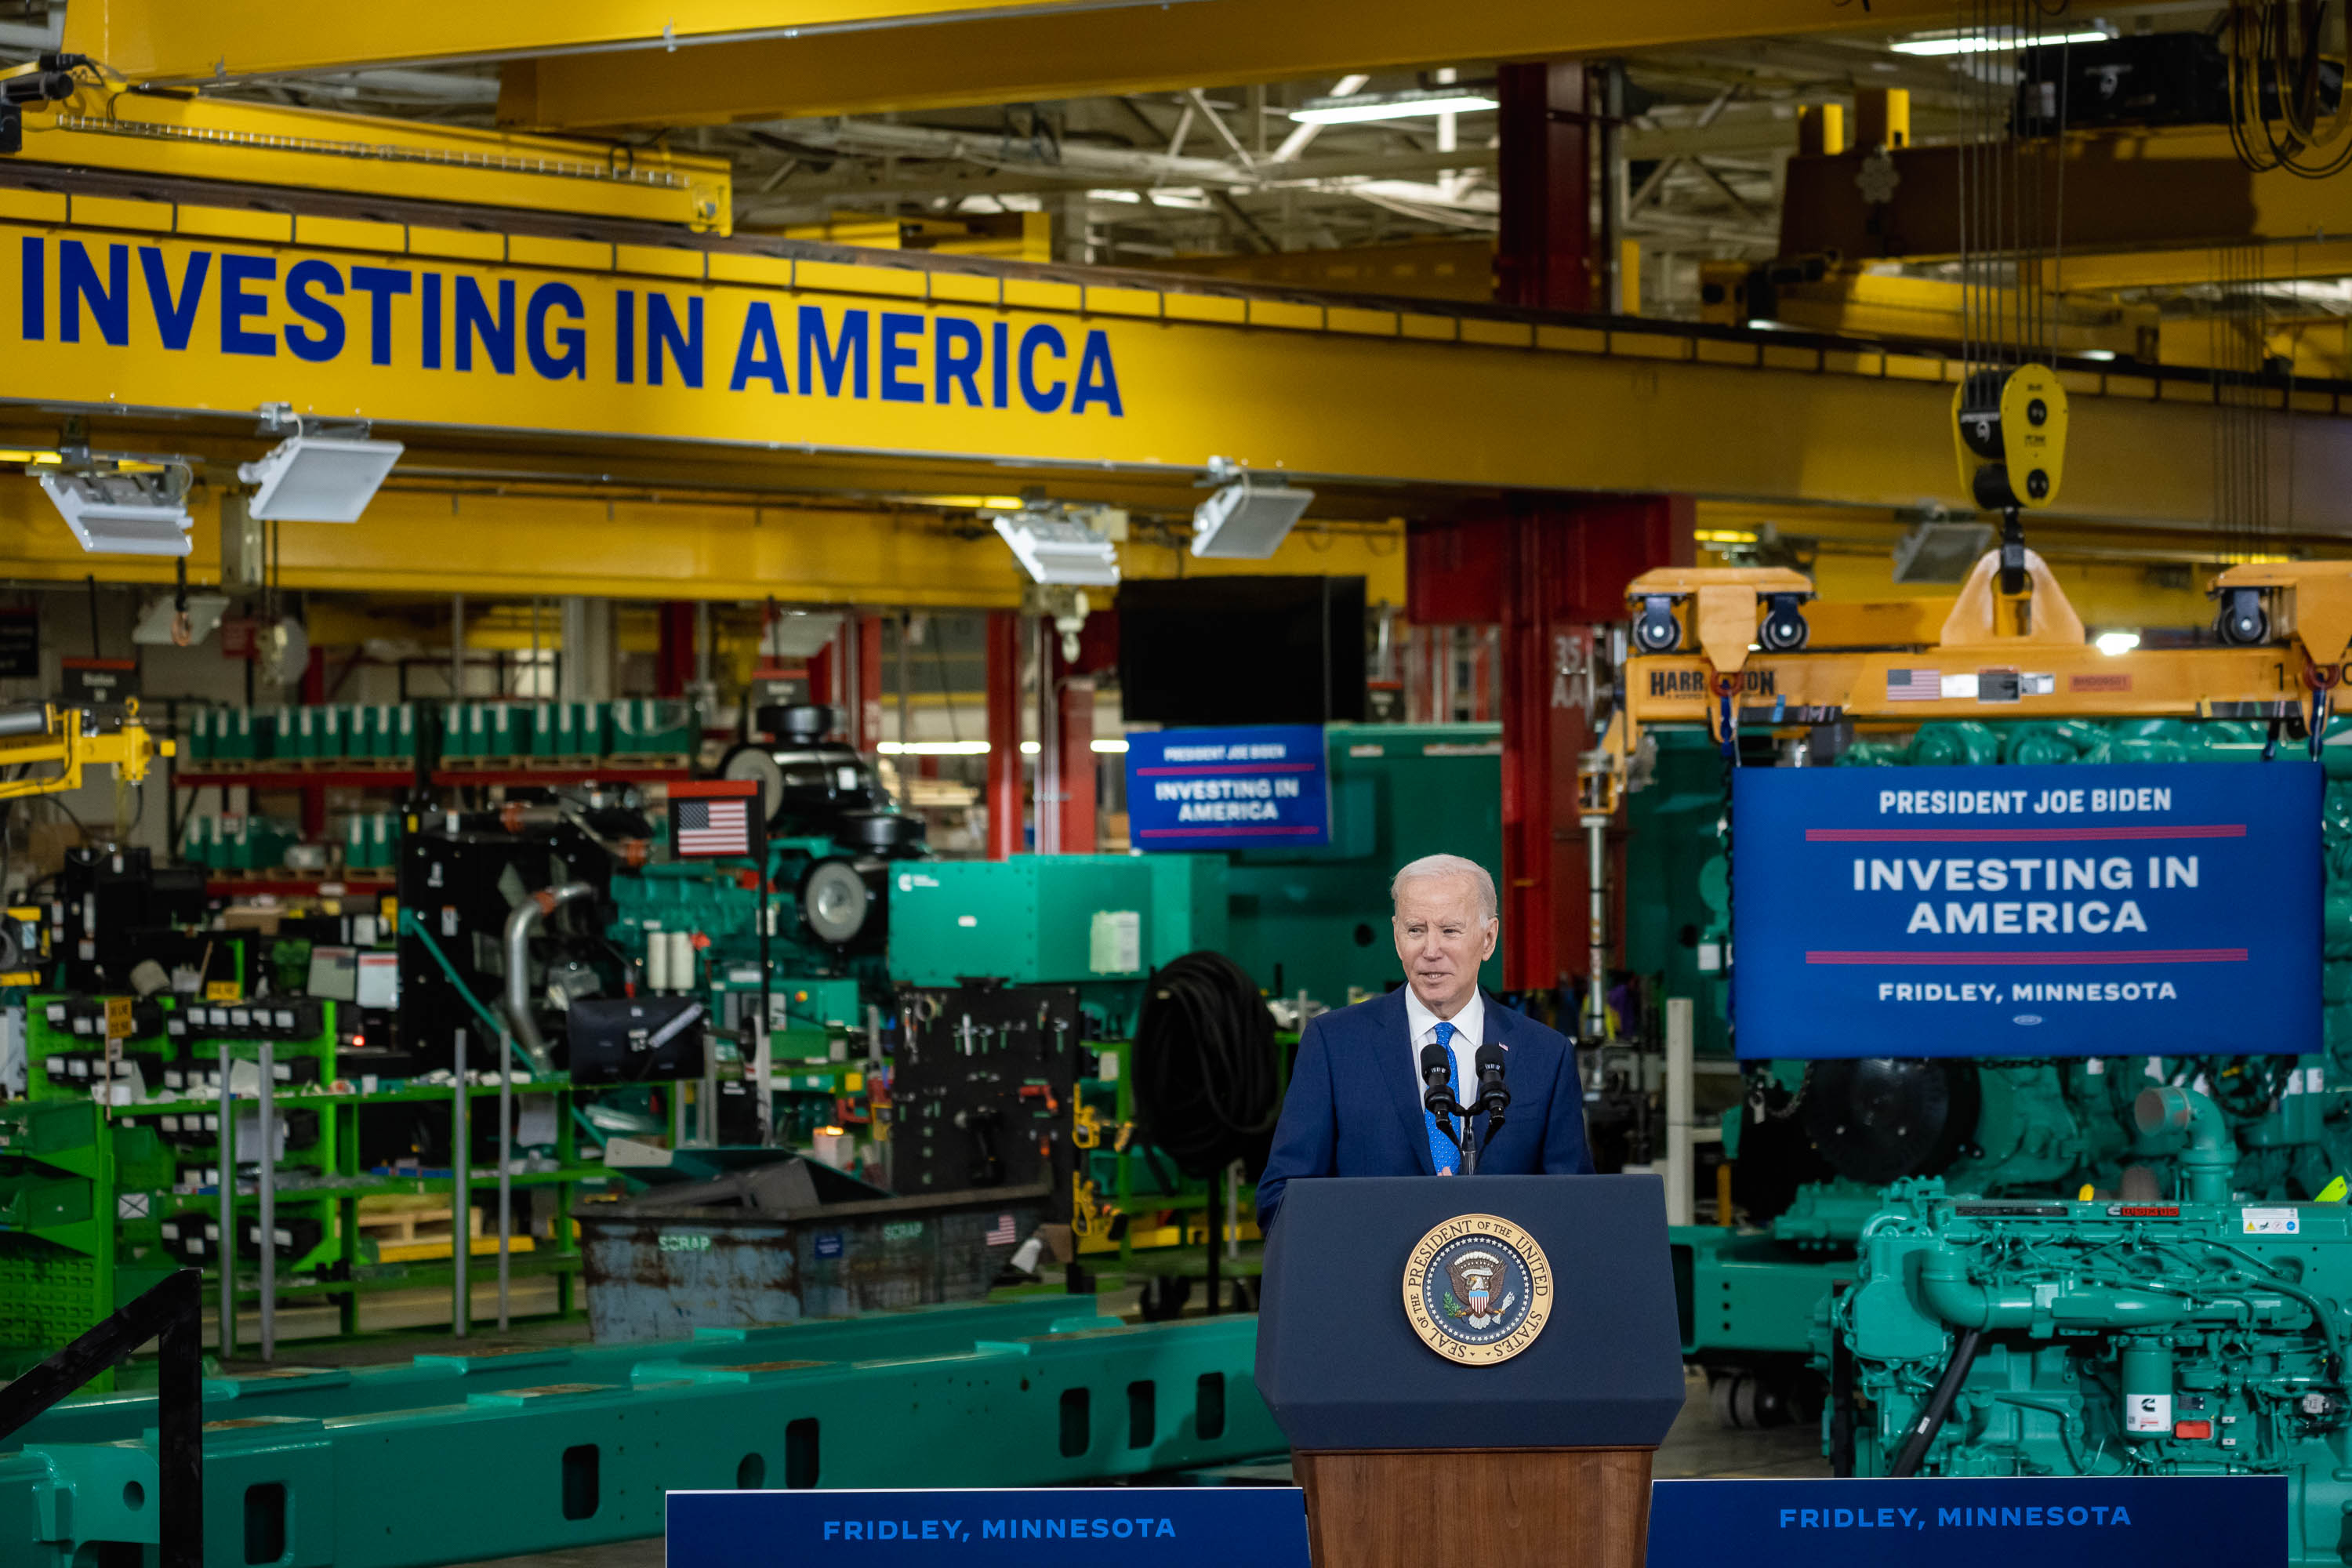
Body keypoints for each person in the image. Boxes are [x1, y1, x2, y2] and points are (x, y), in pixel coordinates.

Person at [1254, 853, 1594, 1227]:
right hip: (1368, 1279)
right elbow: (1282, 1198)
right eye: (1416, 930)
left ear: (1488, 939)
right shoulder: (1334, 1044)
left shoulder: (1545, 1055)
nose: (1431, 951)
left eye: (1450, 930)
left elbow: (1574, 1209)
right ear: (1397, 937)